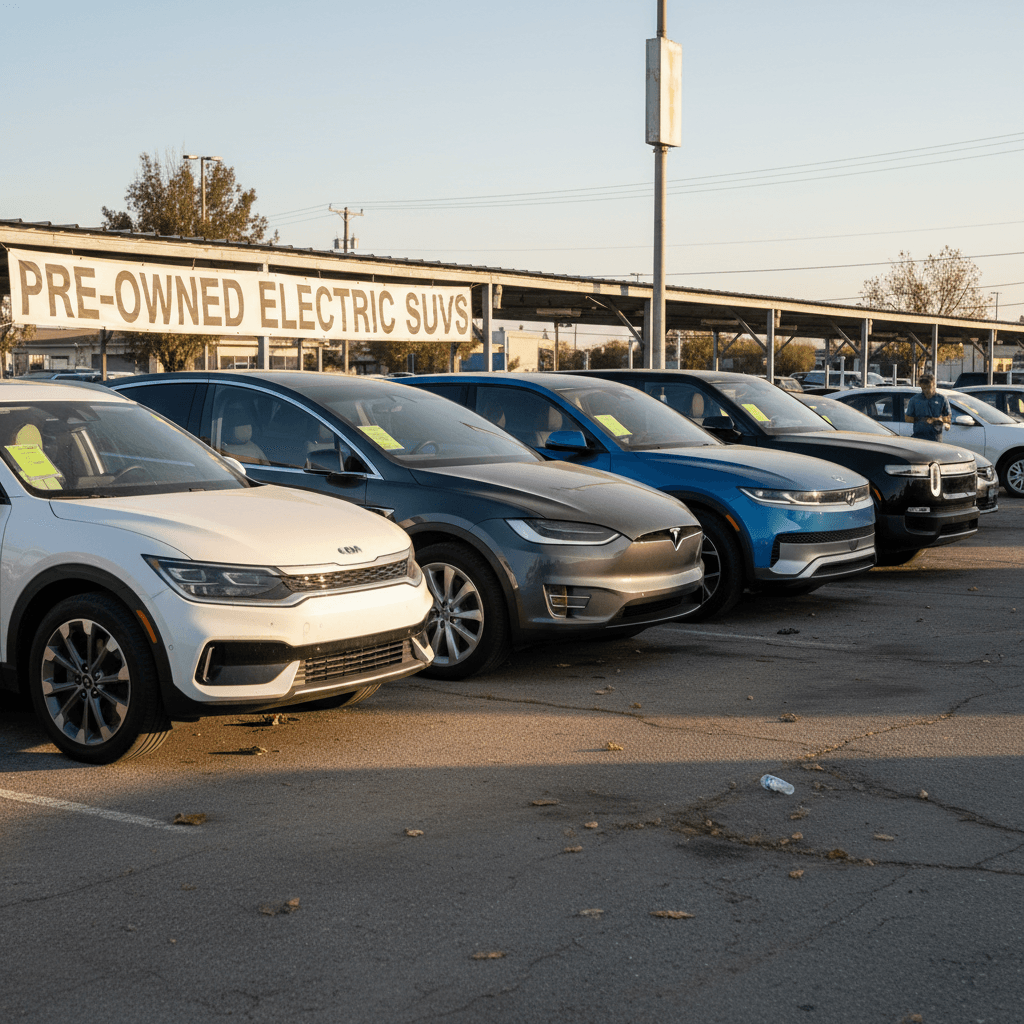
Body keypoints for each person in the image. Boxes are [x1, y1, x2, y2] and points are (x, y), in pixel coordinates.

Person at [904, 375, 951, 442]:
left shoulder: (942, 399)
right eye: (923, 388)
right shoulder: (914, 400)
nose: (926, 390)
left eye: (929, 387)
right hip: (919, 437)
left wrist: (937, 420)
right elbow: (907, 419)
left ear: (934, 385)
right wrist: (922, 419)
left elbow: (947, 420)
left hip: (936, 438)